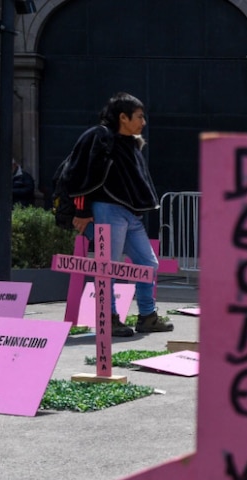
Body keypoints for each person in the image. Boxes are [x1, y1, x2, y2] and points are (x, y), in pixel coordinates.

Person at [66, 92, 173, 337]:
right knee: (108, 268)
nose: (143, 122)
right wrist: (82, 211)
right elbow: (80, 174)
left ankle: (147, 316)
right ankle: (108, 318)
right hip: (106, 210)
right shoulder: (100, 136)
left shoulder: (130, 143)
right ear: (123, 118)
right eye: (139, 116)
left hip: (128, 215)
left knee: (148, 264)